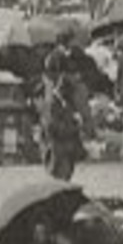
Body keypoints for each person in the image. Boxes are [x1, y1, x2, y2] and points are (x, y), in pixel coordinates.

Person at [39, 50, 85, 182]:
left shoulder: (60, 94)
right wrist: (74, 126)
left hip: (62, 145)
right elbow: (51, 125)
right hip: (58, 146)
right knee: (61, 176)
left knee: (64, 174)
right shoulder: (52, 99)